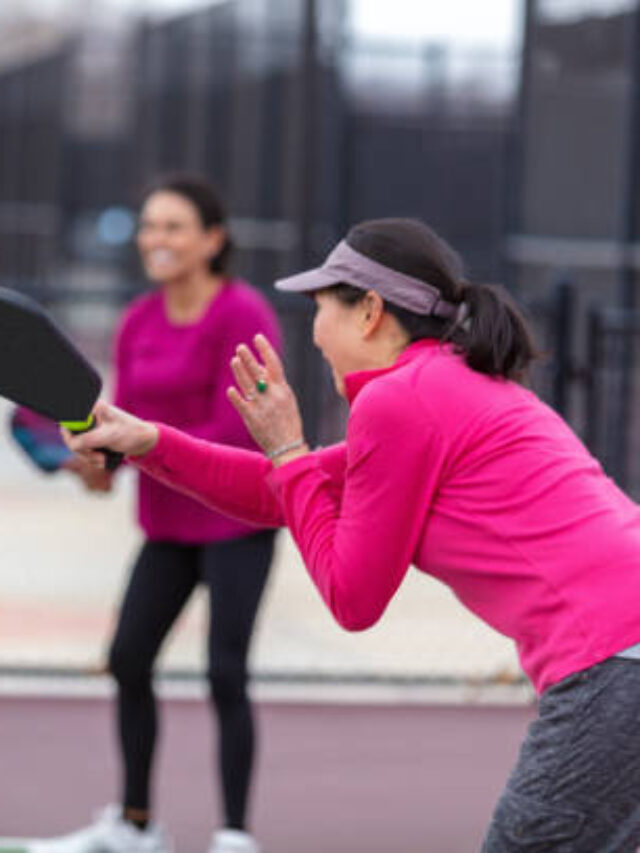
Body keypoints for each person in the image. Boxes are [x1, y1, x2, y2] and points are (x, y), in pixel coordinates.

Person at [63, 217, 640, 851]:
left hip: (611, 658)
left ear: (369, 311)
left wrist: (287, 448)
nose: (312, 331)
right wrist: (147, 441)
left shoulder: (402, 401)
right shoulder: (446, 386)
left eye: (320, 309)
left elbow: (352, 597)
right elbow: (281, 490)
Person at [34, 175, 282, 853]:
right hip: (167, 527)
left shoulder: (243, 314)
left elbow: (238, 436)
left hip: (238, 519)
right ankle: (135, 824)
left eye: (173, 226)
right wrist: (91, 465)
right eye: (149, 226)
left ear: (212, 239)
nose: (156, 239)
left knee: (225, 670)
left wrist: (141, 447)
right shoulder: (139, 319)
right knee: (128, 657)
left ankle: (235, 834)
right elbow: (115, 452)